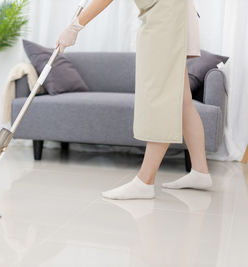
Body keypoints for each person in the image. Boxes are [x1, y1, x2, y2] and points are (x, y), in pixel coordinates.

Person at [56, 0, 212, 200]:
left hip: (166, 16)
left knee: (159, 96)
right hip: (172, 12)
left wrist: (76, 25)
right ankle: (200, 171)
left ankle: (144, 181)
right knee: (181, 99)